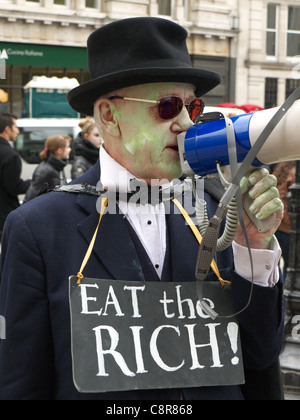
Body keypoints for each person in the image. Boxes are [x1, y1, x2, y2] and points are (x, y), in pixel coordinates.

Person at [0, 18, 285, 400]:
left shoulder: (219, 210)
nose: (185, 123)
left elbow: (258, 357)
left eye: (192, 106)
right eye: (167, 107)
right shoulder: (39, 228)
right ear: (109, 116)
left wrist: (256, 249)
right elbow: (22, 381)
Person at [0, 113, 30, 241]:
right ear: (7, 129)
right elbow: (13, 187)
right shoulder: (10, 155)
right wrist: (30, 182)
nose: (18, 131)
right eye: (15, 127)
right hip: (4, 213)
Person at [24, 134, 71, 203]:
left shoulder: (58, 167)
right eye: (68, 147)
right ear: (59, 151)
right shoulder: (44, 170)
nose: (70, 149)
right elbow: (30, 198)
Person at [271, 161, 296, 278]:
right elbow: (284, 199)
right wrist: (289, 221)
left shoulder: (284, 171)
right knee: (292, 267)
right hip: (288, 228)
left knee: (278, 265)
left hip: (278, 225)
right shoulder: (294, 173)